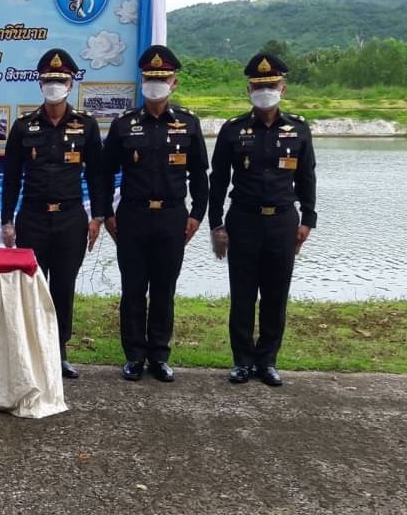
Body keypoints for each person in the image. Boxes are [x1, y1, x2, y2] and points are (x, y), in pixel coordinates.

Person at [100, 45, 209, 382]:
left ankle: (159, 355)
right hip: (132, 216)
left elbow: (200, 175)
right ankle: (134, 356)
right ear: (142, 81)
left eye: (162, 78)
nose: (156, 84)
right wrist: (106, 214)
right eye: (150, 78)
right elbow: (104, 173)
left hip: (172, 217)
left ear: (174, 82)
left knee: (164, 289)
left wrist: (197, 215)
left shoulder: (188, 123)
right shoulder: (124, 124)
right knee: (133, 289)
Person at [209, 53, 317, 387]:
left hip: (283, 221)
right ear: (249, 90)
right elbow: (218, 180)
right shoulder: (233, 130)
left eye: (271, 85)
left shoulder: (298, 129)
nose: (264, 91)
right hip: (243, 220)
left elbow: (307, 177)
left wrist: (308, 220)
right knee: (242, 295)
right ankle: (242, 361)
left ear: (283, 88)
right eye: (258, 86)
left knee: (275, 295)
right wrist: (216, 224)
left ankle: (267, 360)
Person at [1, 48, 105, 379]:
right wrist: (6, 220)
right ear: (40, 84)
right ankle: (30, 355)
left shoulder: (86, 125)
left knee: (63, 287)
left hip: (71, 218)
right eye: (48, 80)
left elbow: (97, 175)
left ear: (70, 84)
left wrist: (98, 217)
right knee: (32, 287)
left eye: (60, 80)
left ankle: (58, 353)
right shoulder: (23, 126)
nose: (54, 85)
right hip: (32, 217)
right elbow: (11, 177)